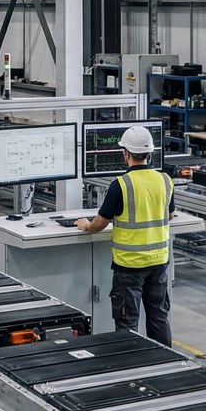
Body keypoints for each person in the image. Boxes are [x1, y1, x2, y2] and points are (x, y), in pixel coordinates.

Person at [76, 126, 175, 345]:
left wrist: (85, 225)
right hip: (159, 261)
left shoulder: (121, 185)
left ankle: (129, 367)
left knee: (127, 322)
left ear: (126, 154)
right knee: (159, 317)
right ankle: (166, 364)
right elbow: (170, 214)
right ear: (150, 154)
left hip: (129, 265)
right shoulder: (165, 180)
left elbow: (100, 224)